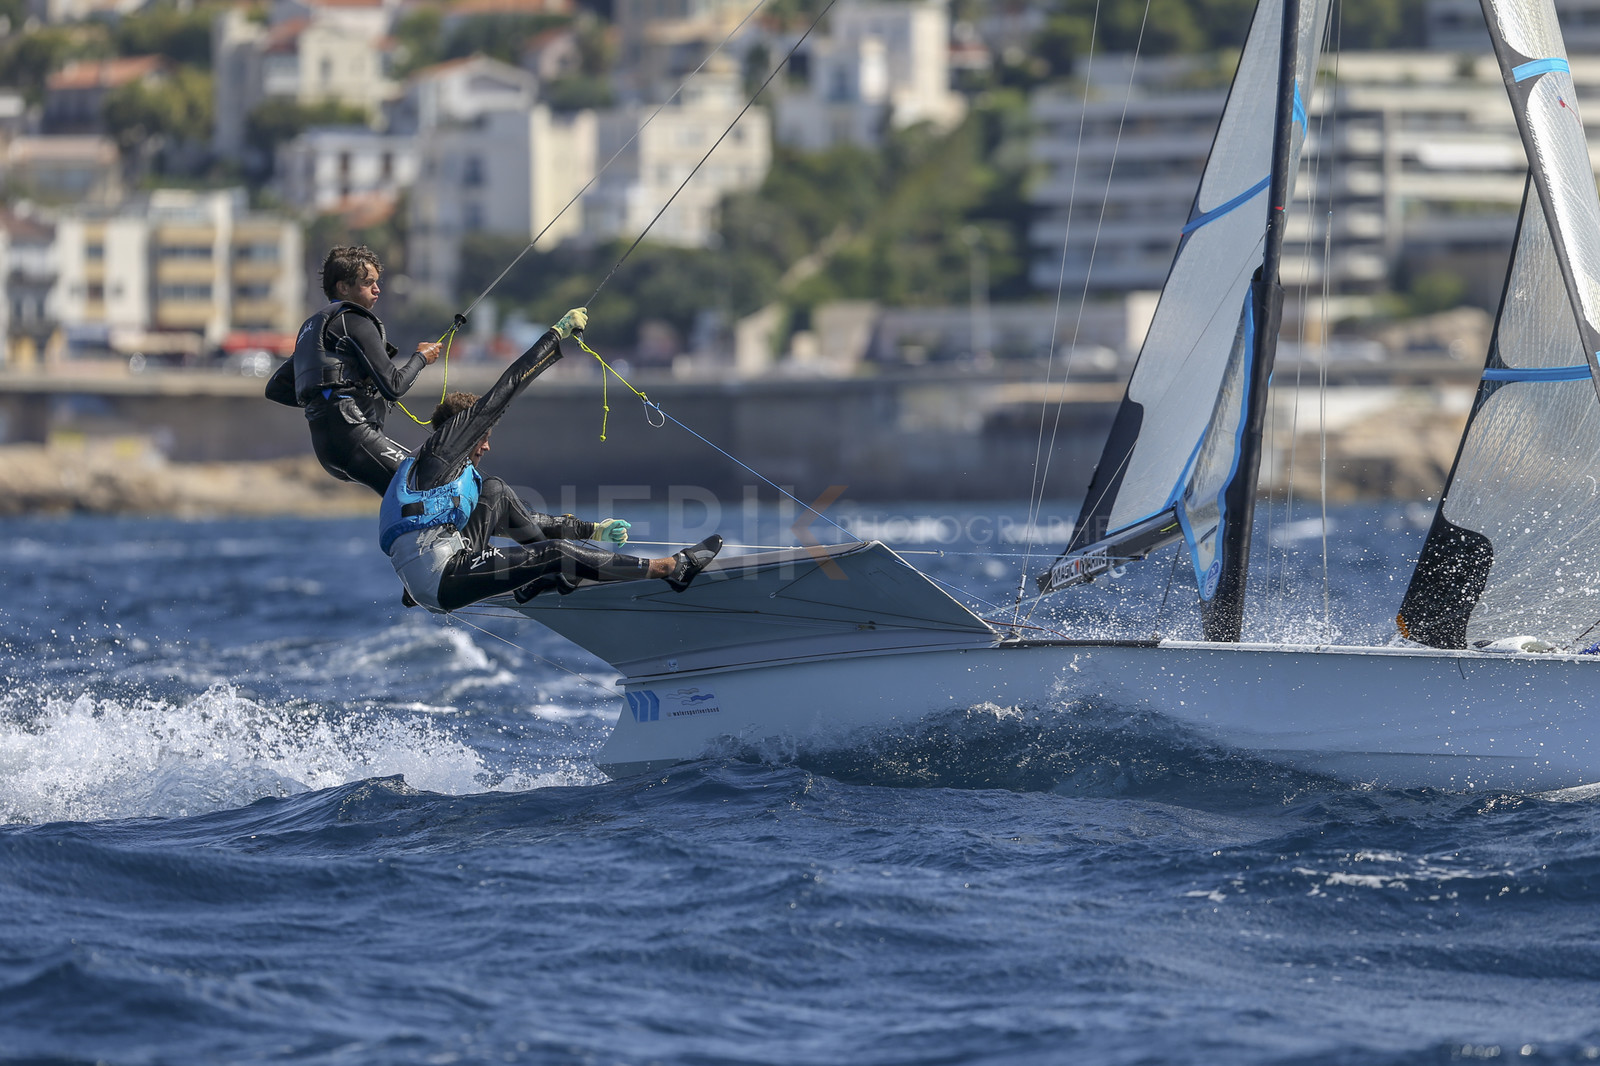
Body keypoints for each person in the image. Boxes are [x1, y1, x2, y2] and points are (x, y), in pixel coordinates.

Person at [379, 306, 722, 612]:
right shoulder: (441, 455)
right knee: (555, 553)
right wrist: (556, 334)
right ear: (464, 432)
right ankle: (668, 570)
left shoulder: (447, 472)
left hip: (445, 563)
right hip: (440, 578)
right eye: (482, 437)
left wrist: (593, 530)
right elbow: (508, 386)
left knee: (496, 491)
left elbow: (527, 520)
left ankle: (543, 578)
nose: (486, 446)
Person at [266, 246, 442, 494]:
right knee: (426, 479)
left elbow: (276, 388)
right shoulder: (355, 320)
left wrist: (325, 396)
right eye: (368, 282)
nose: (377, 289)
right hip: (352, 433)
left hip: (326, 446)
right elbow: (394, 386)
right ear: (343, 287)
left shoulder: (316, 328)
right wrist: (421, 357)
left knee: (405, 492)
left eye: (377, 282)